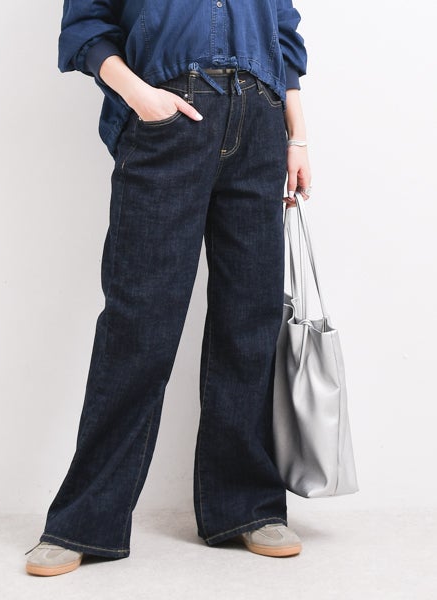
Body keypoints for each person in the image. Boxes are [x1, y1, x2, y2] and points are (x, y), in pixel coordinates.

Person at [25, 0, 311, 577]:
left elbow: (283, 34)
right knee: (139, 325)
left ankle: (247, 507)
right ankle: (85, 521)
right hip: (169, 118)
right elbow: (86, 28)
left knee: (249, 323)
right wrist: (142, 98)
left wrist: (297, 136)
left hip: (259, 123)